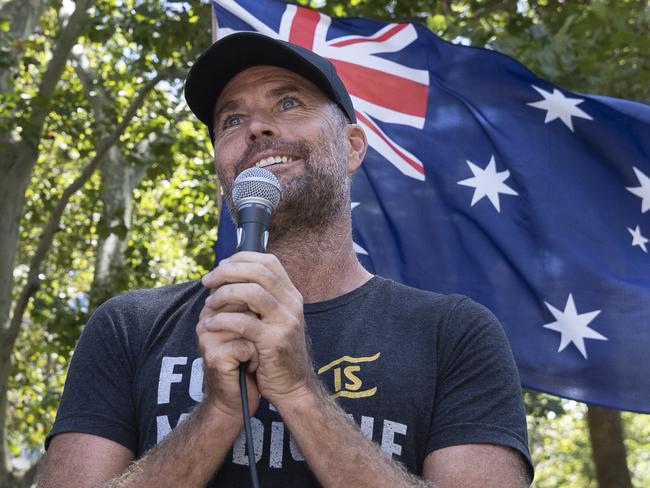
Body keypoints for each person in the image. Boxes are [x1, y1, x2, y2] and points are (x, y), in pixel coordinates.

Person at [39, 32, 533, 487]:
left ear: (352, 147)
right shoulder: (129, 326)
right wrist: (217, 413)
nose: (256, 128)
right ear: (221, 170)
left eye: (289, 102)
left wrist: (300, 391)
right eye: (231, 120)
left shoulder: (456, 333)